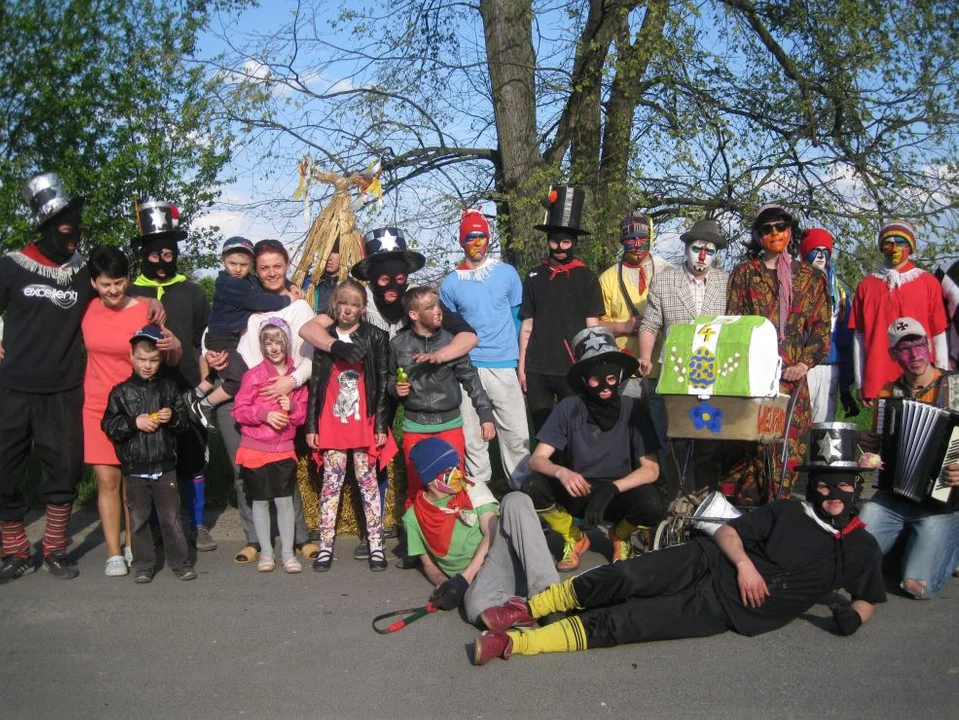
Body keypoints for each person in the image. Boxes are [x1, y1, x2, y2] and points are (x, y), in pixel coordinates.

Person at [471, 453, 885, 665]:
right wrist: (745, 565)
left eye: (843, 486)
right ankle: (528, 607)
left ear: (857, 487)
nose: (833, 495)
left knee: (628, 623)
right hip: (708, 560)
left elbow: (867, 597)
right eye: (825, 486)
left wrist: (855, 617)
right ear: (812, 486)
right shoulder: (789, 510)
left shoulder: (863, 547)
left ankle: (517, 643)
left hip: (726, 611)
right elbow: (726, 530)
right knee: (626, 577)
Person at [298, 227, 479, 561]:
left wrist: (439, 356)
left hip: (415, 384)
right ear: (372, 278)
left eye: (397, 277)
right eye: (382, 279)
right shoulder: (360, 303)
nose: (391, 285)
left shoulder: (419, 300)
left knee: (426, 460)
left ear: (406, 275)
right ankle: (375, 529)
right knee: (375, 455)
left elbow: (468, 337)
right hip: (374, 387)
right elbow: (308, 329)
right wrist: (335, 345)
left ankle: (439, 521)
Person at [1, 174, 102, 582]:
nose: (74, 236)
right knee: (3, 467)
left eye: (78, 228)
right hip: (12, 386)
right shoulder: (11, 265)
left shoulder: (83, 272)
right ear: (45, 227)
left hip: (63, 389)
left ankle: (56, 549)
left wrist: (150, 309)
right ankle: (16, 550)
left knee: (63, 470)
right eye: (66, 229)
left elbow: (117, 295)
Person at [206, 239, 319, 564]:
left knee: (283, 470)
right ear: (257, 271)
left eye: (277, 266)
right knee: (244, 469)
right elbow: (217, 329)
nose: (271, 272)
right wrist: (209, 354)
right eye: (264, 267)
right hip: (244, 396)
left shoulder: (297, 306)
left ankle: (298, 537)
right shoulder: (250, 304)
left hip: (283, 399)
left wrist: (291, 381)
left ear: (286, 267)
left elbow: (313, 357)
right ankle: (254, 539)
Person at [524, 327, 663, 571]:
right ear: (584, 381)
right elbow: (536, 460)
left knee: (653, 504)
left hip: (617, 493)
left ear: (619, 377)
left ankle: (620, 535)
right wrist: (561, 472)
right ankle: (573, 536)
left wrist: (612, 488)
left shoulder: (632, 409)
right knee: (532, 485)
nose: (604, 388)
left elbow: (651, 469)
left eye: (611, 379)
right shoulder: (569, 408)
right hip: (579, 489)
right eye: (595, 381)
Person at [82, 245, 182, 577]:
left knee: (132, 480)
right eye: (106, 284)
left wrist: (173, 347)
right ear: (94, 282)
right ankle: (113, 552)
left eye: (119, 282)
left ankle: (133, 546)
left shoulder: (146, 310)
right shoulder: (83, 309)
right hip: (98, 404)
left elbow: (172, 353)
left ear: (128, 279)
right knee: (107, 479)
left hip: (141, 404)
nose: (113, 290)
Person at [725, 203, 831, 503]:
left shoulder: (811, 278)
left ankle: (779, 520)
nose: (774, 233)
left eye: (780, 227)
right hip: (752, 379)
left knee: (786, 453)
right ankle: (743, 524)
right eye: (766, 229)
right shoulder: (744, 274)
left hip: (791, 379)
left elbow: (822, 330)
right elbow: (733, 325)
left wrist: (804, 363)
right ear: (758, 236)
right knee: (747, 452)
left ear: (790, 231)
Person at [128, 200, 216, 553]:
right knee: (149, 460)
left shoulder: (192, 291)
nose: (162, 262)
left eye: (168, 254)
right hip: (143, 389)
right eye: (154, 255)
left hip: (184, 386)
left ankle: (197, 524)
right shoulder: (131, 292)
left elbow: (203, 339)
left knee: (191, 457)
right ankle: (155, 527)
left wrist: (202, 381)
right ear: (144, 256)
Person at [402, 437, 560, 624]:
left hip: (497, 558)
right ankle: (526, 606)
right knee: (475, 609)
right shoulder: (413, 518)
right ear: (430, 479)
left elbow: (491, 532)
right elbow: (428, 564)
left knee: (515, 499)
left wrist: (464, 578)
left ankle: (550, 597)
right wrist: (442, 581)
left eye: (457, 466)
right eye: (449, 471)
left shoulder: (472, 487)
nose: (458, 474)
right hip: (484, 582)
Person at [858, 317, 959, 598]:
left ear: (928, 346)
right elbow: (881, 452)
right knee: (854, 563)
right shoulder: (889, 393)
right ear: (893, 355)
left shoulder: (956, 386)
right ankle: (907, 542)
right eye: (904, 349)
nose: (914, 355)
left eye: (918, 345)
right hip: (894, 498)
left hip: (941, 505)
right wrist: (866, 442)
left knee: (916, 587)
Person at [306, 279, 396, 572]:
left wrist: (381, 423)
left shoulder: (376, 336)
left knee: (367, 483)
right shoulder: (325, 337)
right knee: (331, 485)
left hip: (364, 422)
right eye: (344, 303)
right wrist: (311, 426)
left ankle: (376, 544)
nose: (348, 309)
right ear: (335, 304)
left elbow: (382, 382)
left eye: (355, 304)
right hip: (331, 421)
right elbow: (316, 383)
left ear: (362, 308)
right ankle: (326, 547)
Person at [439, 209, 531, 490]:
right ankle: (480, 498)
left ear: (489, 239)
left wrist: (519, 362)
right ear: (461, 241)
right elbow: (451, 327)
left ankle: (525, 494)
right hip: (468, 368)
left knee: (516, 434)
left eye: (481, 236)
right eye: (470, 237)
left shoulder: (507, 273)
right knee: (473, 436)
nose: (477, 242)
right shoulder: (450, 283)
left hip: (504, 363)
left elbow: (519, 319)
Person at [638, 218, 730, 494]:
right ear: (686, 249)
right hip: (676, 372)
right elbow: (650, 323)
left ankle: (705, 495)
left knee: (709, 439)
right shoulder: (665, 280)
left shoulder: (726, 282)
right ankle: (675, 495)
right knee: (675, 440)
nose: (702, 257)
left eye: (709, 251)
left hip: (715, 375)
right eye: (697, 249)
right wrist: (645, 356)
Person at [101, 325, 196, 583]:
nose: (147, 365)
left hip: (165, 466)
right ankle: (143, 564)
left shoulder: (168, 388)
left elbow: (184, 425)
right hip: (134, 468)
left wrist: (173, 416)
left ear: (161, 360)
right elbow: (109, 425)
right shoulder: (120, 392)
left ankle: (181, 562)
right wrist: (134, 423)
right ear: (131, 358)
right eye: (142, 359)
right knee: (138, 519)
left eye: (153, 360)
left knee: (172, 518)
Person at [389, 286, 496, 509]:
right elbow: (387, 378)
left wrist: (485, 415)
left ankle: (458, 537)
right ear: (413, 315)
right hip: (415, 426)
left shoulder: (451, 343)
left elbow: (472, 380)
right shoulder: (398, 345)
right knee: (417, 485)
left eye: (438, 305)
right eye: (430, 307)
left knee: (454, 482)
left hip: (449, 426)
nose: (438, 311)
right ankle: (417, 537)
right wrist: (394, 388)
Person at [519, 186, 604, 433]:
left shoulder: (587, 278)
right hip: (536, 369)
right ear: (548, 241)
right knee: (543, 433)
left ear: (574, 242)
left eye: (565, 241)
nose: (559, 247)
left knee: (575, 431)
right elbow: (527, 327)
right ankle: (546, 472)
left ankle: (573, 472)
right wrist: (522, 367)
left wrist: (592, 367)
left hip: (573, 369)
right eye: (555, 240)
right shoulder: (534, 276)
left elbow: (593, 328)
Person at [191, 236, 295, 427]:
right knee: (240, 378)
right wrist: (287, 300)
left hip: (230, 338)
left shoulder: (249, 281)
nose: (238, 269)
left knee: (228, 369)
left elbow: (269, 282)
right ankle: (204, 405)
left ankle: (196, 392)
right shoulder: (230, 285)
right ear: (223, 261)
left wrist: (291, 285)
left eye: (244, 265)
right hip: (222, 339)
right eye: (233, 264)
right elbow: (258, 302)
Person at [232, 318, 309, 574]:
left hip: (283, 447)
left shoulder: (295, 377)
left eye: (278, 341)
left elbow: (301, 416)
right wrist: (264, 414)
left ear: (287, 343)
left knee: (285, 501)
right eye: (268, 342)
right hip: (255, 447)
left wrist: (293, 407)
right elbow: (239, 410)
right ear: (262, 346)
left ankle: (288, 554)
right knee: (261, 501)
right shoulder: (253, 376)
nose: (273, 347)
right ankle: (266, 552)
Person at [850, 220, 948, 405]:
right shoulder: (866, 286)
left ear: (910, 246)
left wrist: (942, 378)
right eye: (889, 242)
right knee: (884, 430)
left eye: (901, 242)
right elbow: (859, 336)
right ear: (881, 247)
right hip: (880, 378)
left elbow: (938, 332)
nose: (894, 248)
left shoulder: (928, 282)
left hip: (923, 378)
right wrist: (861, 382)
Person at [599, 211, 672, 400]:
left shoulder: (669, 272)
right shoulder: (608, 278)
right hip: (625, 372)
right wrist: (623, 326)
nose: (638, 245)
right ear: (622, 241)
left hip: (665, 369)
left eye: (642, 239)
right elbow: (594, 325)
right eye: (631, 240)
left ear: (650, 239)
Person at [799, 229, 856, 423]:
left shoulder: (839, 293)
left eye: (826, 250)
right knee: (796, 423)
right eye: (815, 250)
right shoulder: (794, 285)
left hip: (828, 366)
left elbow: (846, 339)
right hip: (800, 365)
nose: (821, 255)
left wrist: (847, 382)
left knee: (823, 424)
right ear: (805, 253)